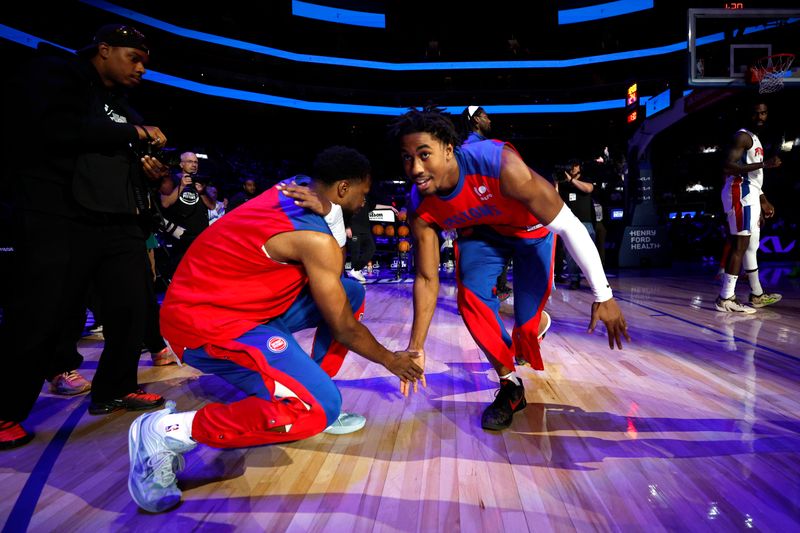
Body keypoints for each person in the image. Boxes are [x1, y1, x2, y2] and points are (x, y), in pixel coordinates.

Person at [127, 146, 423, 512]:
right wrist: (391, 359)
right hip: (203, 325)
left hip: (236, 306)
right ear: (343, 189)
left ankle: (315, 385)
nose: (364, 202)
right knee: (317, 410)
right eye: (363, 193)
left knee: (350, 291)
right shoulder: (316, 240)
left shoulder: (294, 186)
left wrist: (331, 215)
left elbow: (334, 271)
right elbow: (344, 328)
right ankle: (164, 433)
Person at [388, 107, 629, 430]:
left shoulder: (499, 165)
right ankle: (510, 386)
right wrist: (415, 346)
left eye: (424, 155)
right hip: (484, 235)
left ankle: (534, 325)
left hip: (532, 234)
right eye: (406, 158)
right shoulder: (420, 203)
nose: (415, 168)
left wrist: (603, 295)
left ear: (449, 149)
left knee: (525, 332)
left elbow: (570, 226)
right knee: (470, 298)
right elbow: (428, 278)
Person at [1, 24, 170, 448]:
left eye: (145, 62)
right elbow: (56, 131)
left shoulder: (122, 105)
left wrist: (148, 171)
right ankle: (4, 411)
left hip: (117, 221)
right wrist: (136, 134)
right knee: (41, 313)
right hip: (60, 215)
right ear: (104, 49)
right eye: (134, 58)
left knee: (132, 307)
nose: (141, 68)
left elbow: (121, 157)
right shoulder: (56, 73)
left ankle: (114, 389)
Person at [715, 100, 782, 314]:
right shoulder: (742, 136)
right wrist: (765, 164)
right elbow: (728, 165)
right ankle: (726, 298)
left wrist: (762, 200)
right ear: (748, 115)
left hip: (750, 193)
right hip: (739, 192)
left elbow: (753, 178)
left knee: (751, 246)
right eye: (756, 113)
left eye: (764, 113)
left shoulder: (755, 138)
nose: (760, 117)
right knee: (740, 245)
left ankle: (757, 294)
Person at [461, 106, 511, 299]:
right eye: (485, 117)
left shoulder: (470, 146)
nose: (489, 121)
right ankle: (480, 297)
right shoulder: (477, 147)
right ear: (476, 120)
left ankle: (489, 292)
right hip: (482, 213)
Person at [160, 152, 215, 277]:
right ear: (181, 164)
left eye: (195, 162)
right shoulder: (171, 179)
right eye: (190, 161)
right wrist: (181, 185)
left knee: (202, 272)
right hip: (181, 237)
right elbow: (165, 203)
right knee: (181, 273)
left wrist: (202, 192)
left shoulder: (201, 180)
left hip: (201, 235)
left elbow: (212, 206)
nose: (194, 165)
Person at [555, 160, 596, 290]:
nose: (572, 168)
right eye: (570, 165)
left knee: (590, 253)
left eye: (575, 165)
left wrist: (571, 180)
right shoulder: (563, 184)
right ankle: (574, 279)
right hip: (569, 223)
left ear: (579, 167)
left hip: (586, 223)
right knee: (571, 254)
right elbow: (555, 200)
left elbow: (588, 188)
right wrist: (556, 183)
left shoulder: (586, 179)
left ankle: (595, 281)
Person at [345, 195, 397, 283]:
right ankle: (356, 272)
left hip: (366, 230)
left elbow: (375, 206)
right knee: (355, 252)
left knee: (372, 248)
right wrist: (347, 227)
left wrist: (390, 207)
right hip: (354, 230)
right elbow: (346, 212)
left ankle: (356, 270)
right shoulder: (352, 197)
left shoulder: (366, 197)